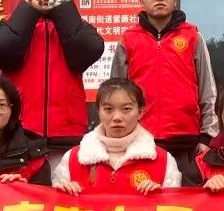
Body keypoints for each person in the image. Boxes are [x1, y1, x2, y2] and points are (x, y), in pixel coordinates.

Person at [0, 0, 104, 163]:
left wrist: (65, 11)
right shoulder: (10, 24)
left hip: (66, 132)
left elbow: (90, 50)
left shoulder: (75, 25)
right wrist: (27, 12)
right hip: (19, 130)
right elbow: (0, 52)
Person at [110, 0, 218, 184]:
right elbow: (114, 94)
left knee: (185, 202)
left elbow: (208, 91)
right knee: (143, 200)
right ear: (141, 0)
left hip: (187, 143)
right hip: (140, 141)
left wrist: (208, 136)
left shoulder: (193, 36)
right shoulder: (128, 39)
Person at [52, 78, 182, 194]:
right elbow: (55, 208)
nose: (117, 117)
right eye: (108, 109)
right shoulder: (73, 159)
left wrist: (160, 196)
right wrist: (64, 194)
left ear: (140, 112)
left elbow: (175, 208)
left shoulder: (163, 160)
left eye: (126, 109)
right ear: (98, 111)